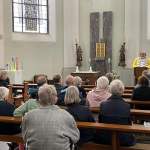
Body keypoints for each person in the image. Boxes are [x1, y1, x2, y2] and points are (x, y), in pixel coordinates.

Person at [22, 84, 79, 150]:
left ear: (39, 99)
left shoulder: (28, 115)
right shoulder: (67, 115)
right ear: (55, 99)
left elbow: (25, 138)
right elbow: (75, 138)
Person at [95, 79, 135, 146]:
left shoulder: (103, 104)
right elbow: (129, 124)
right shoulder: (127, 106)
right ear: (122, 90)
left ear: (110, 90)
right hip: (122, 140)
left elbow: (100, 121)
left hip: (104, 138)